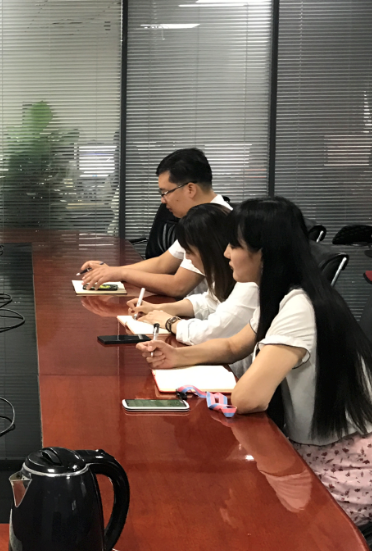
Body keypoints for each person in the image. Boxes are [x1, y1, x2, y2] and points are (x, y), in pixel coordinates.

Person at [137, 197, 372, 533]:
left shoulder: (300, 308)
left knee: (239, 520)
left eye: (235, 245)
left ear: (264, 253)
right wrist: (177, 357)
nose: (226, 253)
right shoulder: (280, 294)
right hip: (306, 450)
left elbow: (249, 399)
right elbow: (234, 345)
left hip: (344, 466)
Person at [80, 148, 231, 297]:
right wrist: (113, 271)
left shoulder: (213, 221)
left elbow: (178, 286)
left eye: (165, 192)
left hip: (204, 310)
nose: (162, 200)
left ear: (190, 189)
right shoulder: (201, 217)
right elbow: (162, 263)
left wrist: (122, 273)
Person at [127, 204, 258, 347]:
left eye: (189, 252)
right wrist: (161, 308)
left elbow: (212, 333)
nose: (188, 259)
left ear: (211, 250)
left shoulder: (249, 282)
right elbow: (210, 302)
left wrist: (170, 322)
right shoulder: (227, 273)